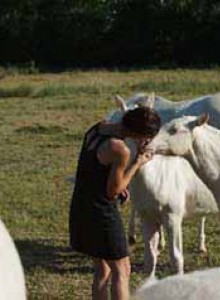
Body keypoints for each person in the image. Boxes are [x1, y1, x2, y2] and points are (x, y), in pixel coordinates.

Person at [69, 106, 161, 300]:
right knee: (122, 269)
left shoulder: (97, 128)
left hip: (81, 206)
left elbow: (95, 168)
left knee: (102, 270)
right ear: (138, 134)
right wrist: (138, 162)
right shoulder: (120, 149)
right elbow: (113, 191)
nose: (146, 141)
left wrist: (117, 180)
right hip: (101, 213)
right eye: (146, 137)